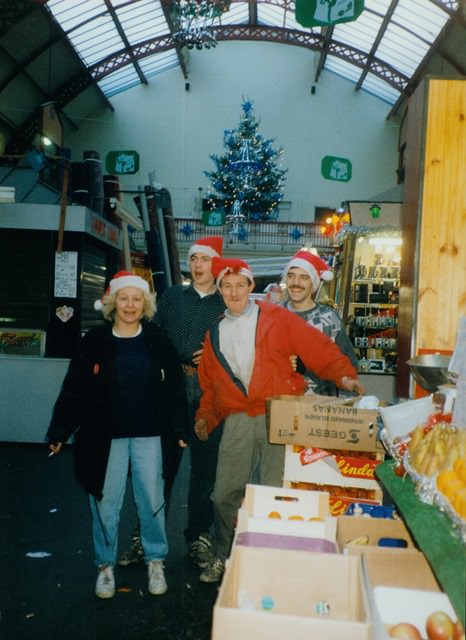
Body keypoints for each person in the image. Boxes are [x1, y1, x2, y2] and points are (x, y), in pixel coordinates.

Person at [193, 257, 365, 583]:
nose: (233, 292)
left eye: (239, 285)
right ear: (220, 291)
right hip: (240, 418)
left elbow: (316, 346)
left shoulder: (275, 317)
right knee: (223, 494)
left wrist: (344, 376)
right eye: (226, 286)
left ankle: (269, 560)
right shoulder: (214, 332)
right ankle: (224, 555)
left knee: (276, 494)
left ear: (250, 287)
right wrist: (207, 416)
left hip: (280, 412)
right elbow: (211, 383)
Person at [46, 271, 188, 599]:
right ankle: (105, 567)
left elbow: (175, 390)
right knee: (104, 501)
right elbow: (75, 389)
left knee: (152, 499)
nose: (130, 305)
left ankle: (155, 560)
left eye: (137, 299)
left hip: (150, 433)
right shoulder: (95, 341)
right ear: (112, 302)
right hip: (103, 436)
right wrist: (60, 429)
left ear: (145, 304)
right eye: (123, 298)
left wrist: (180, 427)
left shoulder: (157, 339)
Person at [118, 236, 226, 571]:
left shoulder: (227, 302)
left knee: (205, 470)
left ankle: (198, 538)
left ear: (216, 263)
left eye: (204, 260)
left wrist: (213, 355)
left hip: (211, 392)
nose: (197, 265)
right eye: (193, 258)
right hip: (172, 389)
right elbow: (152, 335)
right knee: (160, 467)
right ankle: (145, 537)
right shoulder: (171, 297)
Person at [283, 248, 359, 395]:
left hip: (318, 406)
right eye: (291, 276)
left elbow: (348, 367)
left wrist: (308, 368)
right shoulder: (275, 315)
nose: (296, 283)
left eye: (304, 277)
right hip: (280, 402)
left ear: (314, 283)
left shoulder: (328, 320)